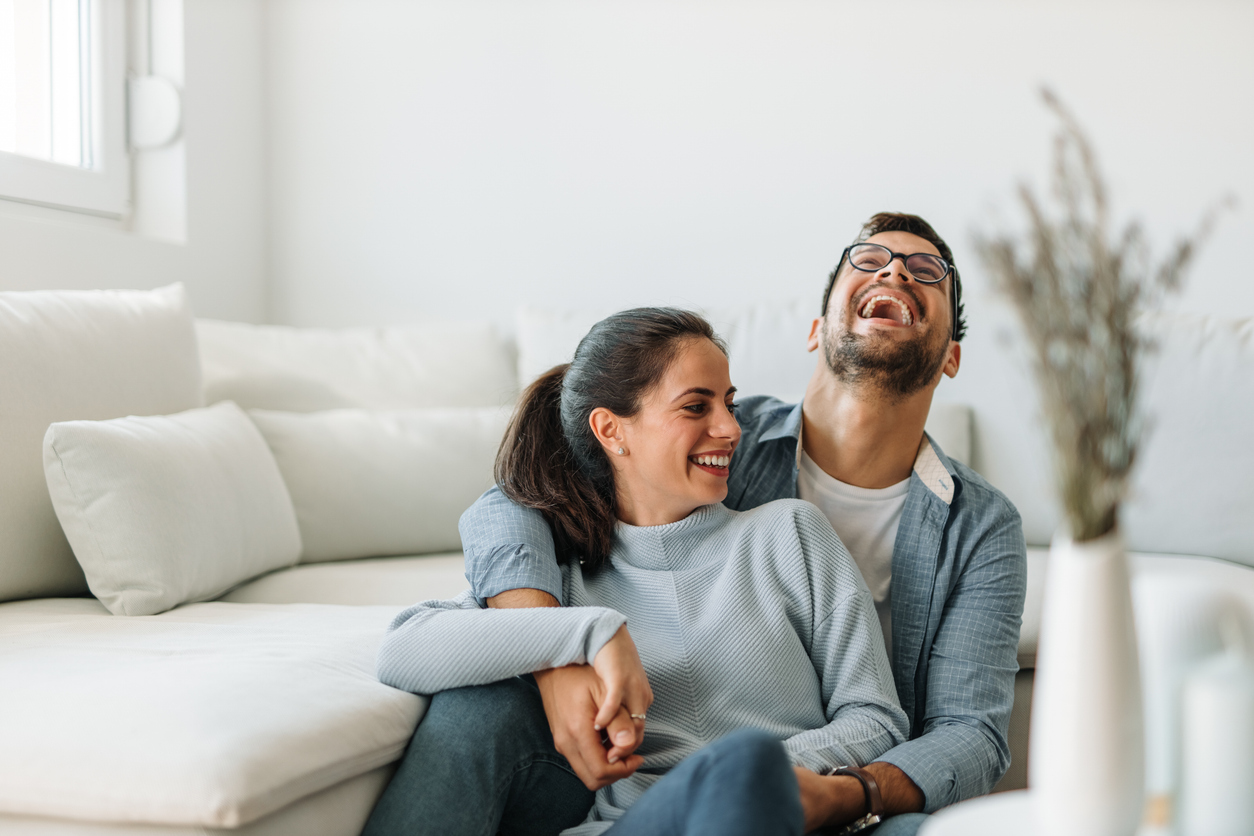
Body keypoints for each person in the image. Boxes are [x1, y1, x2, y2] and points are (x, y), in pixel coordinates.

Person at [367, 212, 1028, 836]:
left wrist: (813, 786)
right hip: (645, 808)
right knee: (475, 709)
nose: (894, 274)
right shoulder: (655, 492)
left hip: (832, 788)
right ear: (814, 329)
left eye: (926, 269)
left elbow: (963, 732)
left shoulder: (944, 528)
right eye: (871, 259)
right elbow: (513, 502)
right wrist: (563, 646)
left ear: (951, 358)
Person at [367, 308, 909, 836]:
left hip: (784, 809)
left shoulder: (790, 534)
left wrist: (745, 775)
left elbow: (875, 718)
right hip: (638, 823)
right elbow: (402, 650)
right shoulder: (562, 575)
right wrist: (588, 631)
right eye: (696, 407)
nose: (729, 429)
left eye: (728, 403)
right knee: (471, 704)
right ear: (610, 430)